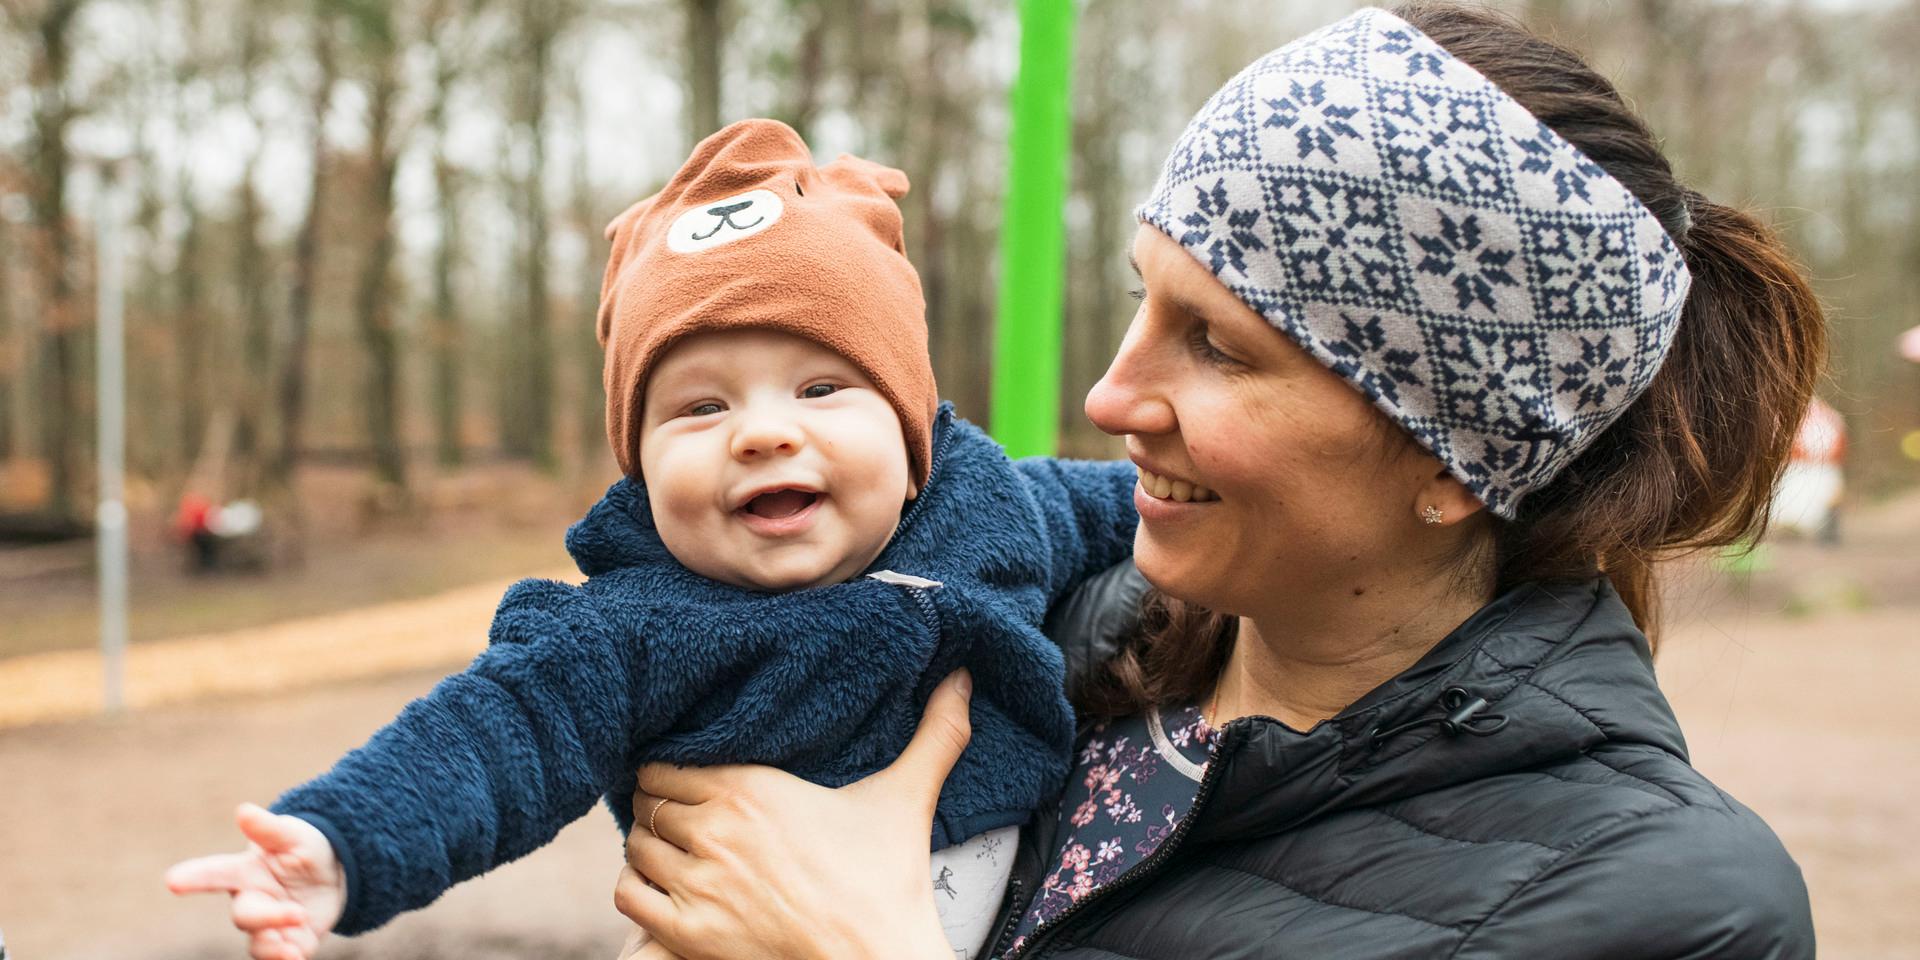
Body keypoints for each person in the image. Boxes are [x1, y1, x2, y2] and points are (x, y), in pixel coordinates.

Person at [611, 5, 1823, 958]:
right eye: (1148, 302)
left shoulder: (1657, 904)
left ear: (1454, 461)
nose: (1110, 398)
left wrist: (863, 946)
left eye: (1219, 347)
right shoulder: (1028, 623)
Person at [163, 119, 1138, 960]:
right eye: (700, 405)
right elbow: (494, 733)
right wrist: (338, 846)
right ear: (637, 465)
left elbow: (1164, 504)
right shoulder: (637, 626)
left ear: (912, 429)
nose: (761, 432)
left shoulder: (1001, 506)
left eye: (820, 388)